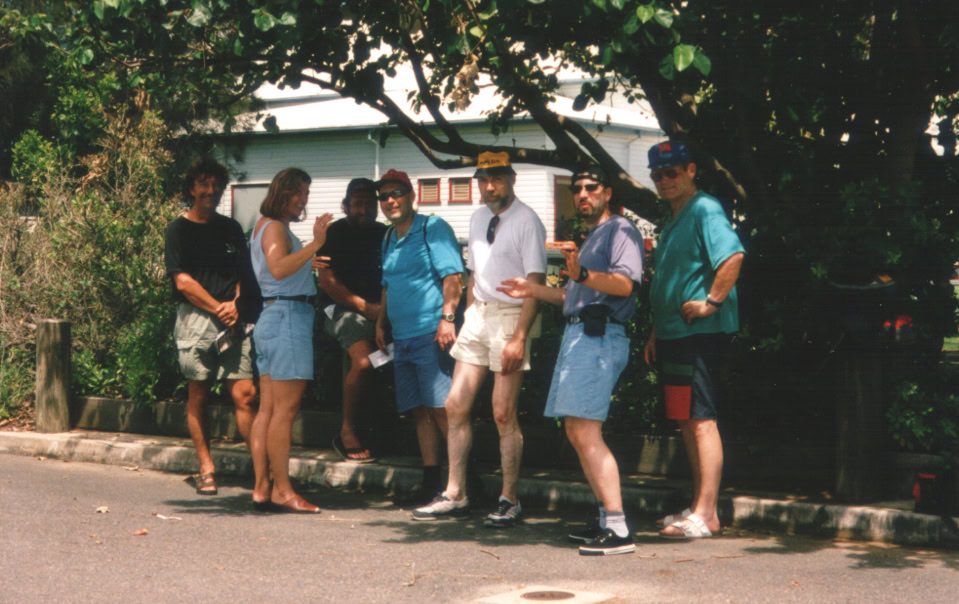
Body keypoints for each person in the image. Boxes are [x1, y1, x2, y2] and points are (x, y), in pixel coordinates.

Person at [498, 165, 644, 555]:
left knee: (586, 433)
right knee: (577, 432)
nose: (582, 194)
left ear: (607, 192)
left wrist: (581, 274)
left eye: (591, 187)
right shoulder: (593, 237)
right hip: (580, 336)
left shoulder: (620, 230)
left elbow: (624, 284)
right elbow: (571, 297)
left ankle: (618, 528)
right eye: (576, 188)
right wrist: (531, 289)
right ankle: (605, 518)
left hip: (599, 337)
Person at [413, 151, 546, 527]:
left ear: (512, 179)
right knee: (455, 405)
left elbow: (536, 283)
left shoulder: (527, 220)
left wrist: (520, 336)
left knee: (503, 412)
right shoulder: (476, 218)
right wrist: (467, 314)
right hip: (479, 316)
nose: (489, 187)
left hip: (511, 317)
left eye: (497, 179)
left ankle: (509, 499)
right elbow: (474, 274)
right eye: (483, 180)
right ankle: (455, 493)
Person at [642, 141, 745, 539]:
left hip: (700, 334)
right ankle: (700, 506)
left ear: (690, 171)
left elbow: (732, 257)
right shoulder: (674, 217)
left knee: (702, 420)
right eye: (657, 174)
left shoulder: (705, 208)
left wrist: (711, 302)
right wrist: (656, 331)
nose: (664, 180)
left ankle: (706, 514)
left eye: (671, 172)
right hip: (673, 334)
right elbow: (672, 278)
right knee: (685, 419)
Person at [164, 157, 257, 496]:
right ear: (191, 188)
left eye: (216, 185)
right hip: (197, 319)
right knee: (199, 394)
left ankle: (264, 469)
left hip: (233, 318)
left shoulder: (231, 228)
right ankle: (206, 468)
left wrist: (236, 304)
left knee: (245, 393)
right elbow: (183, 281)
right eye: (204, 184)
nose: (211, 190)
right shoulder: (178, 230)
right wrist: (219, 308)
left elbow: (244, 274)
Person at [373, 169, 465, 507]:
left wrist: (447, 319)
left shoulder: (432, 227)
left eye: (396, 193)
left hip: (431, 333)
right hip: (402, 337)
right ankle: (431, 481)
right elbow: (388, 285)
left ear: (411, 196)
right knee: (420, 411)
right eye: (384, 196)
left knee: (442, 409)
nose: (390, 201)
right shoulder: (388, 237)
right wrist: (380, 322)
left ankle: (462, 483)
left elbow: (453, 277)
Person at [249, 168, 333, 513]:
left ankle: (262, 488)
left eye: (306, 194)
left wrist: (307, 260)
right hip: (287, 318)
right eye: (299, 192)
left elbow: (281, 267)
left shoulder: (266, 226)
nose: (304, 200)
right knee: (284, 411)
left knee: (268, 410)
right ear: (283, 192)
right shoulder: (274, 227)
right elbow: (279, 268)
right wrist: (315, 244)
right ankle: (283, 491)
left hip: (273, 315)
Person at [316, 178, 387, 463]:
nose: (364, 209)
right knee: (364, 361)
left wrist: (381, 311)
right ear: (345, 206)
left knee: (393, 358)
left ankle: (382, 430)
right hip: (340, 310)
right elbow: (327, 282)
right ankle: (346, 431)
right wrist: (366, 308)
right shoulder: (332, 234)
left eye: (370, 204)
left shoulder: (385, 233)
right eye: (358, 204)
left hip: (379, 310)